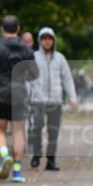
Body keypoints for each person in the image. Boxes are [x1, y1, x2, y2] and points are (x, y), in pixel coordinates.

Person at [0, 15, 38, 182]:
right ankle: (18, 171)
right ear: (18, 29)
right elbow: (34, 74)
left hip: (1, 93)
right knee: (18, 131)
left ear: (2, 29)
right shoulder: (27, 50)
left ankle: (5, 156)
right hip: (20, 94)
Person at [28, 27, 78, 171]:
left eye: (49, 39)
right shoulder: (33, 57)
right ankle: (36, 154)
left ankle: (51, 161)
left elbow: (67, 79)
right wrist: (28, 99)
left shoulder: (60, 58)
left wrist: (72, 97)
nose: (47, 41)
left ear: (53, 40)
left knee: (53, 131)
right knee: (36, 128)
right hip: (38, 99)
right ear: (40, 41)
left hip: (56, 100)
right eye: (44, 39)